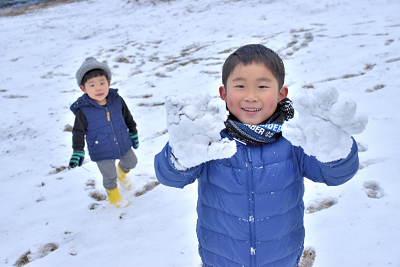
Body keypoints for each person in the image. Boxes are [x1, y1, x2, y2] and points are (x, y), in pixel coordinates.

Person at [154, 44, 361, 266]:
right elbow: (170, 177)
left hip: (280, 257)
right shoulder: (208, 137)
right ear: (224, 93)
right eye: (240, 85)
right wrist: (180, 156)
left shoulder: (295, 138)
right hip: (221, 258)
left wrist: (335, 152)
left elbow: (334, 175)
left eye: (262, 86)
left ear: (281, 94)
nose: (251, 96)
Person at [69, 57, 139, 208]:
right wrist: (78, 151)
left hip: (122, 141)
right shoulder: (83, 110)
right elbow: (78, 132)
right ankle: (114, 196)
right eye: (92, 85)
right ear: (83, 89)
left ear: (108, 83)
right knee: (109, 176)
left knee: (132, 162)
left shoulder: (116, 99)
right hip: (101, 149)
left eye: (102, 83)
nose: (98, 88)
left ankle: (122, 174)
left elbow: (127, 116)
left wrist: (133, 132)